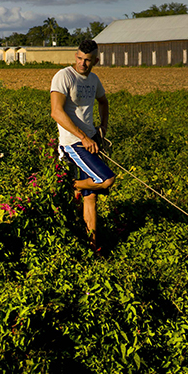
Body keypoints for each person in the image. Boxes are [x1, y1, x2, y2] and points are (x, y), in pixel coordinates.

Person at [50, 40, 115, 248]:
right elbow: (56, 112)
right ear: (74, 56)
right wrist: (83, 137)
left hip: (90, 142)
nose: (82, 64)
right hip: (73, 144)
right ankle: (73, 185)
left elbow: (103, 101)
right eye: (79, 58)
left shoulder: (94, 80)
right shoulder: (64, 76)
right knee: (106, 179)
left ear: (96, 60)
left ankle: (94, 247)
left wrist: (102, 129)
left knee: (91, 198)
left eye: (87, 60)